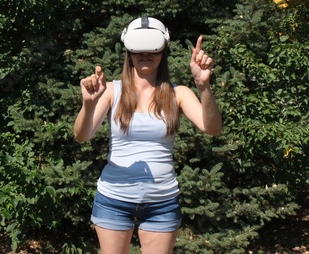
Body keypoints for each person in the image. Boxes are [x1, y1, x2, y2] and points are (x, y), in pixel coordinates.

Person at [73, 16, 222, 254]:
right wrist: (89, 104)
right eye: (137, 49)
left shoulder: (179, 93)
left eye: (152, 49)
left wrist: (203, 85)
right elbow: (82, 136)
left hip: (162, 202)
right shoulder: (111, 91)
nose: (145, 55)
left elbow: (213, 128)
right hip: (114, 199)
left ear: (163, 51)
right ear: (128, 53)